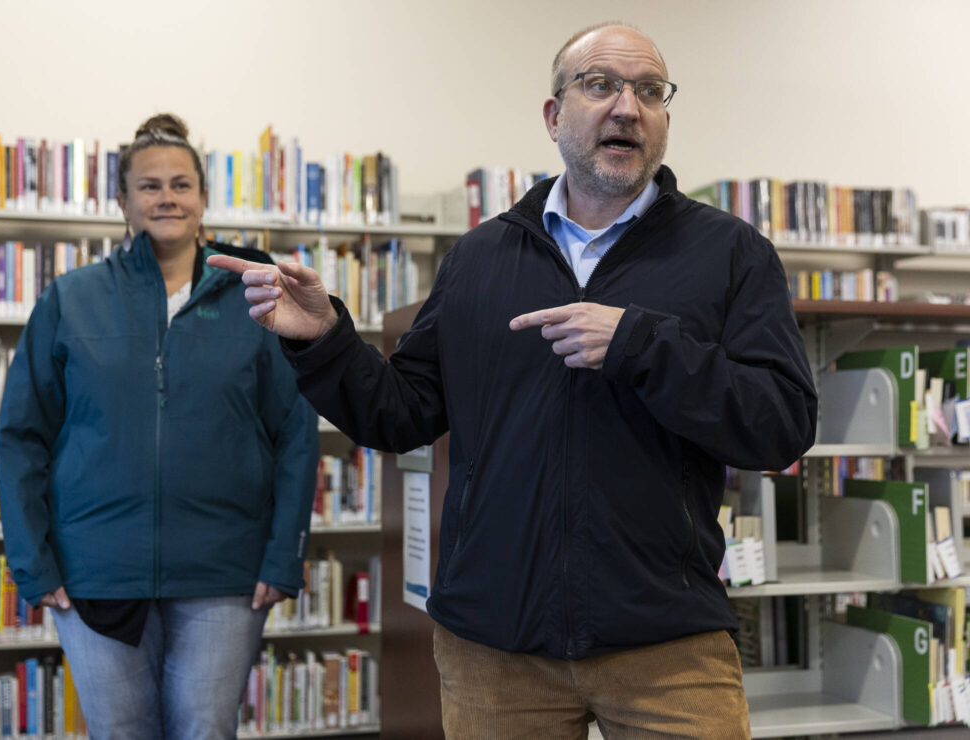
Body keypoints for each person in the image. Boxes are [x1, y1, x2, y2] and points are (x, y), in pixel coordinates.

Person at [210, 22, 817, 739]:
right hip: (493, 647)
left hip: (668, 645)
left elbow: (780, 423)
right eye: (600, 85)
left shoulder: (731, 253)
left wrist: (641, 344)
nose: (627, 107)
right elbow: (400, 413)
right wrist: (324, 340)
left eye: (650, 91)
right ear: (554, 115)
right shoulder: (481, 256)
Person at [0, 113, 318, 740]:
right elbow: (21, 438)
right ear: (123, 201)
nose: (166, 197)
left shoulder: (258, 299)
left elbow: (295, 437)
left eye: (180, 184)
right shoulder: (70, 299)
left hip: (225, 573)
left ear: (203, 197)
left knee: (206, 731)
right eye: (149, 186)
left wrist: (284, 558)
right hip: (95, 571)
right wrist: (33, 565)